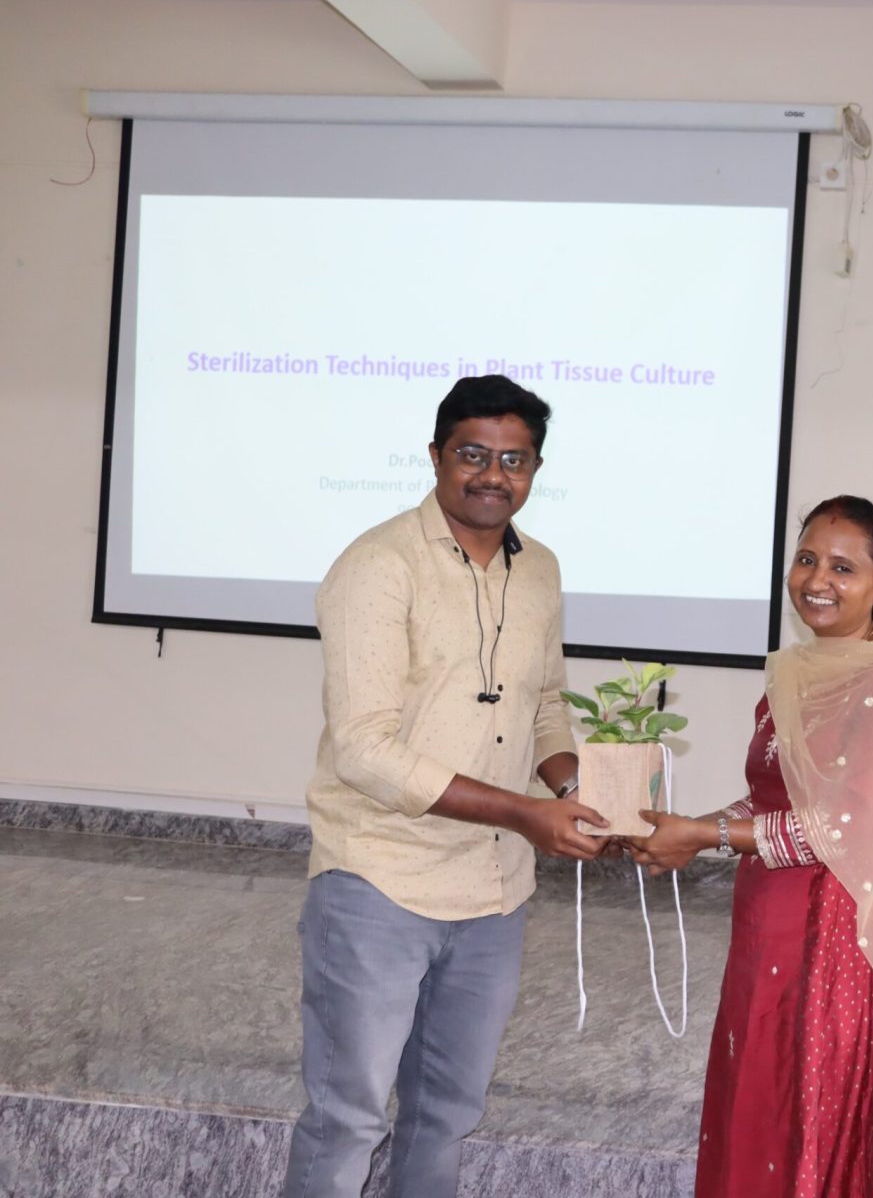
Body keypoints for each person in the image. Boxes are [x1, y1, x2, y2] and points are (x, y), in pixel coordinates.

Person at [284, 375, 611, 1198]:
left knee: (447, 1115)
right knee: (349, 1119)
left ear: (535, 470)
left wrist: (585, 793)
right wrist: (526, 813)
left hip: (494, 892)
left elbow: (545, 705)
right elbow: (364, 751)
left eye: (514, 460)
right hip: (380, 880)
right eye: (473, 454)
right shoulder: (377, 565)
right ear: (435, 457)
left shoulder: (540, 570)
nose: (493, 475)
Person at [628, 495, 873, 1198]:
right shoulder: (793, 672)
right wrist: (687, 832)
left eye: (844, 568)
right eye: (807, 559)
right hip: (767, 921)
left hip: (837, 934)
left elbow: (844, 826)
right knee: (757, 1087)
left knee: (809, 1108)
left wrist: (704, 835)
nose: (817, 580)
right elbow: (773, 799)